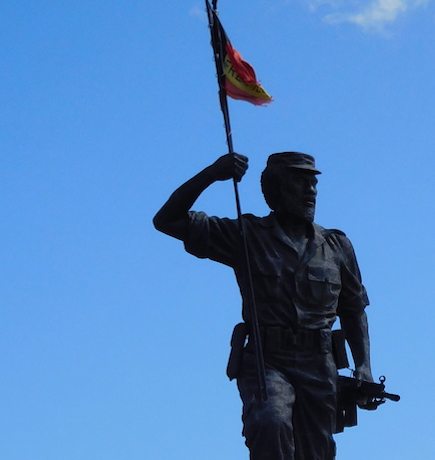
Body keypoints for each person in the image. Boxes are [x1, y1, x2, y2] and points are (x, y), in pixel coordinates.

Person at [153, 152, 373, 460]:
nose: (310, 191)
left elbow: (353, 309)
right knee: (270, 422)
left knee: (316, 452)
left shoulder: (336, 246)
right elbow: (167, 220)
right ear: (276, 189)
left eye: (313, 184)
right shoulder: (247, 235)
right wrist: (212, 174)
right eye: (300, 182)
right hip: (268, 361)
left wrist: (364, 366)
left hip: (319, 364)